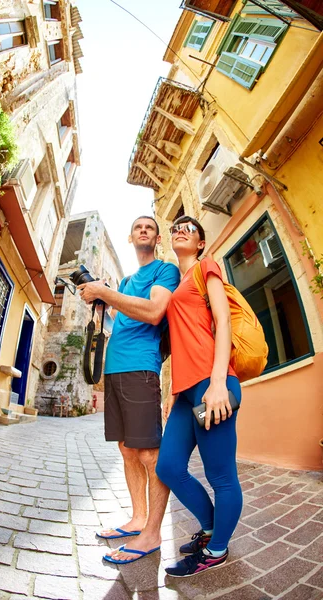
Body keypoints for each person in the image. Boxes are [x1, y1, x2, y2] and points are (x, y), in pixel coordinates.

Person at [78, 215, 180, 565]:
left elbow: (153, 312)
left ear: (156, 238)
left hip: (141, 367)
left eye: (149, 227)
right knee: (126, 449)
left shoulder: (164, 271)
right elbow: (119, 321)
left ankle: (151, 534)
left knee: (150, 454)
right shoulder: (124, 281)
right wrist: (100, 300)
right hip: (115, 368)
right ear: (130, 235)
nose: (143, 230)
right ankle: (137, 518)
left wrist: (107, 293)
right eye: (137, 226)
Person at [156, 215, 242, 578]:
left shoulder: (206, 267)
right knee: (169, 467)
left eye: (189, 229)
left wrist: (219, 382)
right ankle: (210, 528)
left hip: (213, 384)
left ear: (201, 243)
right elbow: (180, 343)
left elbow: (222, 321)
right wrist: (174, 391)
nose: (180, 230)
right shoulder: (175, 286)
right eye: (176, 227)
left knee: (220, 475)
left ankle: (217, 549)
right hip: (186, 392)